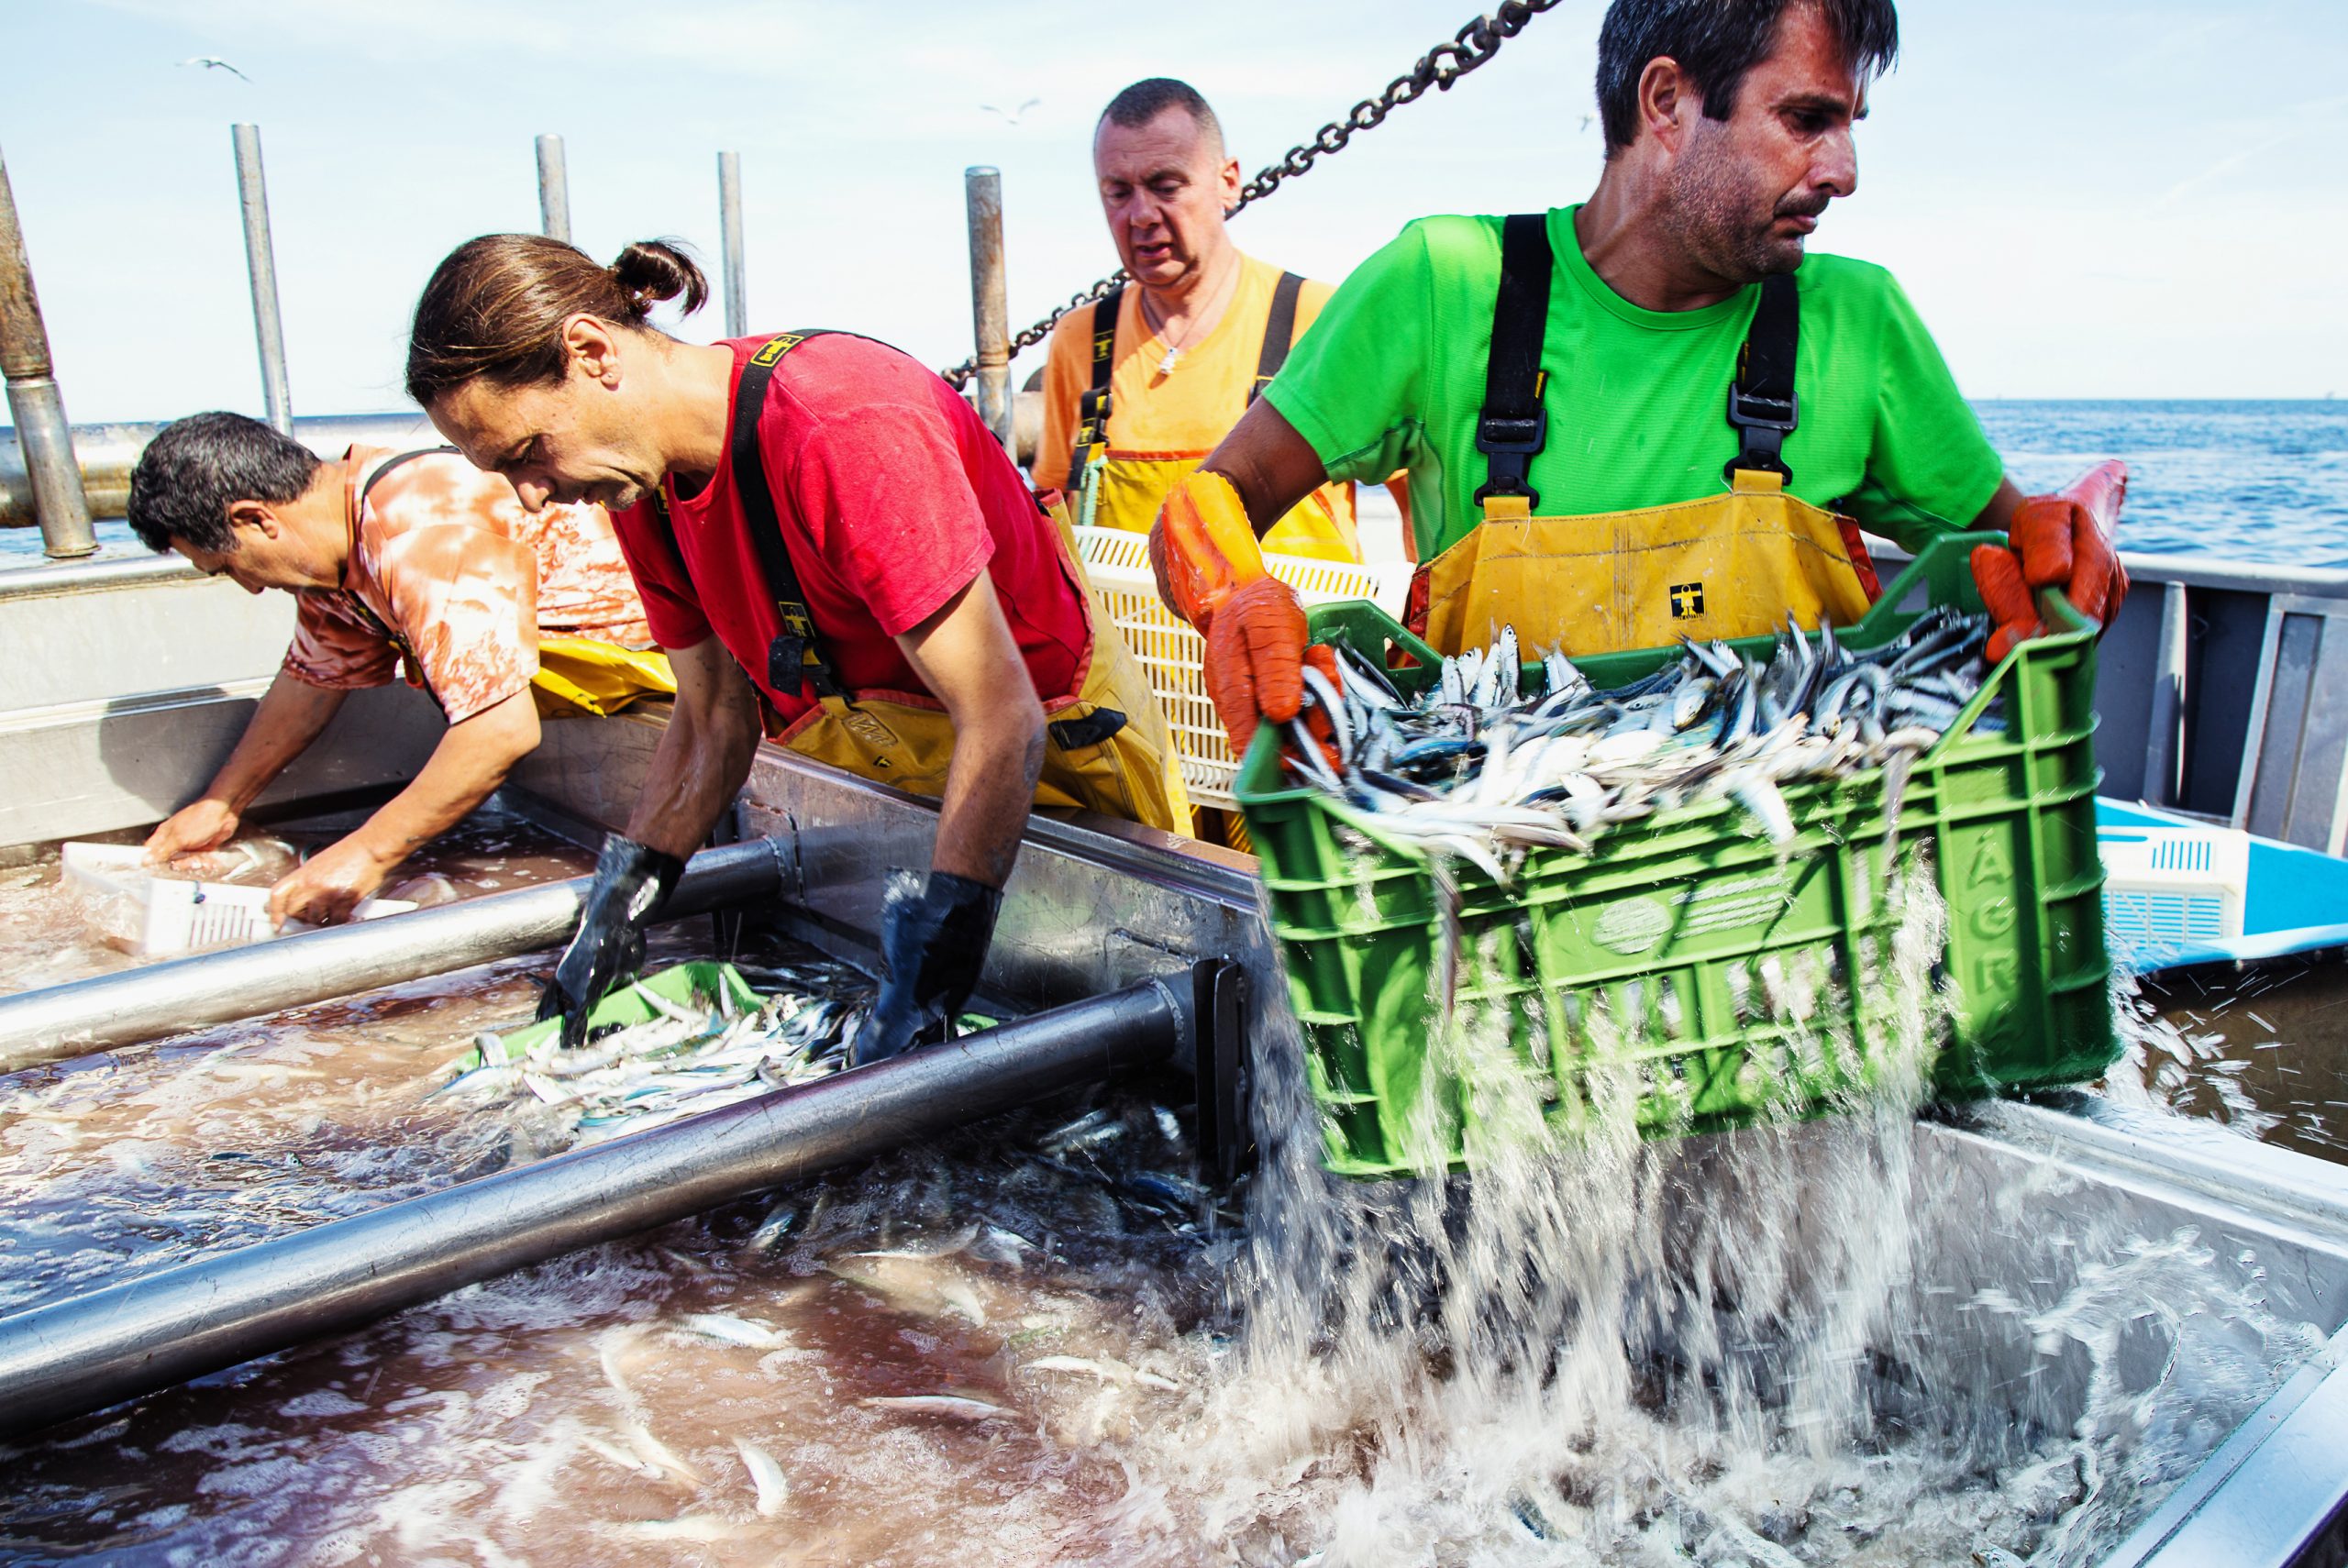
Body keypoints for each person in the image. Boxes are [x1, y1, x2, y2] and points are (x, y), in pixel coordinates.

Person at [1147, 0, 2127, 756]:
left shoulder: (1858, 323)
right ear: (1666, 103)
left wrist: (2060, 555)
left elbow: (2013, 554)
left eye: (1850, 124)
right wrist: (1233, 597)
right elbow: (1209, 498)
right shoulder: (1443, 287)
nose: (1844, 169)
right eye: (1805, 119)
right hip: (1512, 900)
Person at [404, 235, 1191, 1062]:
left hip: (1070, 771)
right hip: (913, 785)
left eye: (527, 454)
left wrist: (928, 977)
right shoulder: (641, 488)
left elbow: (1001, 719)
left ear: (592, 351)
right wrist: (618, 910)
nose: (531, 498)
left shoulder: (843, 428)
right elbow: (713, 721)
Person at [127, 412, 672, 926]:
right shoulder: (329, 553)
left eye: (228, 566)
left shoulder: (416, 530)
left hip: (665, 669)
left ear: (255, 519)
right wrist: (222, 804)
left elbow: (500, 732)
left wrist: (366, 854)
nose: (249, 585)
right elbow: (311, 681)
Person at [1034, 77, 1397, 563]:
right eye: (1118, 193)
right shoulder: (1080, 340)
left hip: (1303, 637)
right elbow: (1051, 518)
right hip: (1129, 640)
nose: (1141, 215)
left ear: (1228, 182)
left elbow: (1416, 494)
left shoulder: (1319, 319)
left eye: (1166, 186)